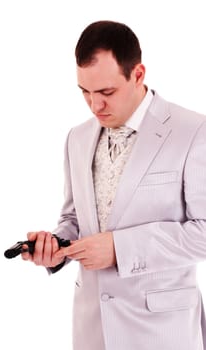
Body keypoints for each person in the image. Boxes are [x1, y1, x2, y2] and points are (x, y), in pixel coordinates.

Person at [22, 20, 206, 350]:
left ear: (138, 74)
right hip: (92, 330)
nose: (95, 106)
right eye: (85, 93)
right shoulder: (77, 138)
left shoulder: (194, 131)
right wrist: (56, 247)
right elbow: (74, 219)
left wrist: (120, 248)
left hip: (162, 333)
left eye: (106, 92)